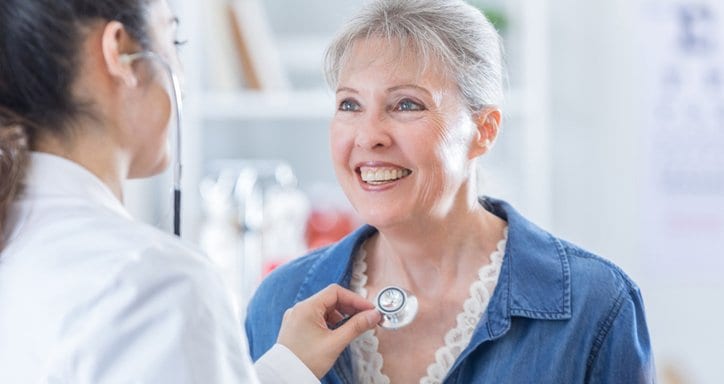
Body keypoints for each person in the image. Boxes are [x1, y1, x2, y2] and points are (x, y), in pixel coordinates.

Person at [245, 0, 655, 383]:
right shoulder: (279, 303)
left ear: (484, 130)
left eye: (407, 104)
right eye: (350, 105)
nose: (368, 137)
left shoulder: (595, 305)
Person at [0, 0, 381, 383]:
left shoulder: (25, 248)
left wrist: (284, 369)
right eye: (175, 42)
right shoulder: (151, 283)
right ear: (119, 51)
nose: (180, 74)